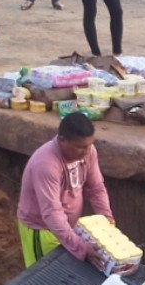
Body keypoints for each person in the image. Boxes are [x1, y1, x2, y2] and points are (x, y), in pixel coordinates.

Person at [17, 113, 116, 267]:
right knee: (44, 278)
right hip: (43, 229)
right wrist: (81, 247)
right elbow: (51, 212)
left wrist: (107, 220)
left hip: (68, 226)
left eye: (89, 145)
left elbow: (96, 188)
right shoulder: (46, 164)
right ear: (62, 140)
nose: (86, 151)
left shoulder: (89, 152)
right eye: (80, 147)